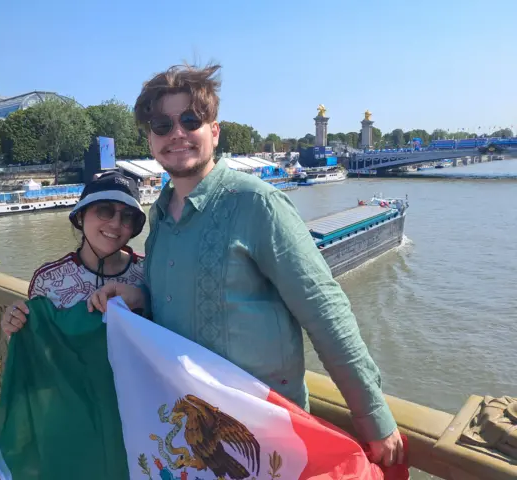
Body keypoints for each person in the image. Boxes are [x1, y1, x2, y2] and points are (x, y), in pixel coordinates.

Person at [89, 63, 405, 467]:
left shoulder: (257, 204)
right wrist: (138, 295)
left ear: (214, 131)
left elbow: (326, 313)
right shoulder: (161, 216)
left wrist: (372, 416)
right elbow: (176, 304)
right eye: (162, 125)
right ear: (150, 139)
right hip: (195, 434)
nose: (177, 134)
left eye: (190, 119)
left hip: (262, 435)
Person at [1, 171, 147, 336]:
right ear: (80, 215)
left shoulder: (149, 272)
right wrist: (15, 321)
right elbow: (39, 342)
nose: (115, 224)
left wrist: (143, 299)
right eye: (105, 210)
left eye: (128, 216)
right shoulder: (49, 280)